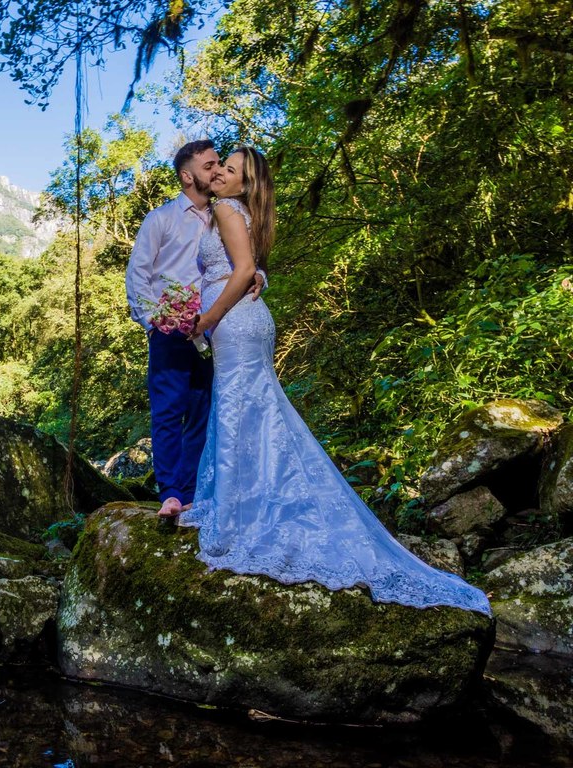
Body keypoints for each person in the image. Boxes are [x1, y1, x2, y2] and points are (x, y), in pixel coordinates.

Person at [178, 146, 491, 614]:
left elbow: (241, 270)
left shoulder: (225, 207)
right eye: (220, 165)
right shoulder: (240, 210)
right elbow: (249, 266)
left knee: (241, 410)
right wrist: (249, 278)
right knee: (256, 412)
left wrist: (207, 318)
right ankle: (251, 502)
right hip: (248, 321)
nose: (221, 172)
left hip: (236, 322)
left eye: (231, 169)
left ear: (245, 183)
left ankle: (240, 515)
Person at [126, 140, 264, 519]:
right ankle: (170, 492)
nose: (217, 170)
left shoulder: (227, 212)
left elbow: (243, 261)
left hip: (215, 327)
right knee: (169, 411)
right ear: (187, 176)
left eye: (221, 164)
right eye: (209, 165)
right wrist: (153, 321)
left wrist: (259, 276)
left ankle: (191, 491)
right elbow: (137, 273)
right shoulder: (162, 219)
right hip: (170, 329)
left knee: (204, 410)